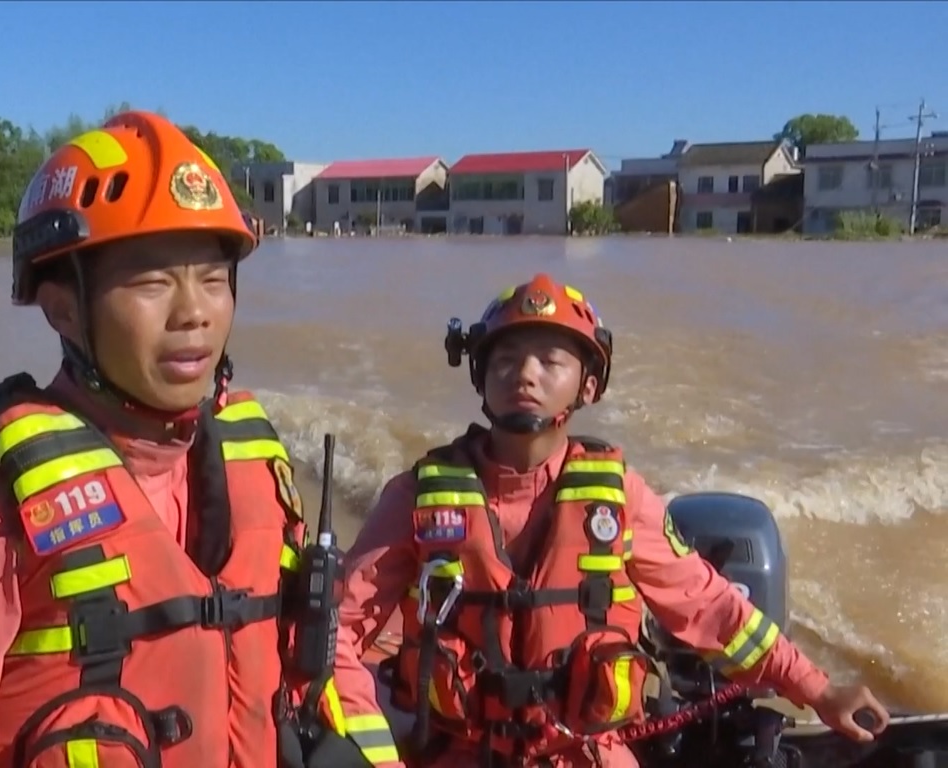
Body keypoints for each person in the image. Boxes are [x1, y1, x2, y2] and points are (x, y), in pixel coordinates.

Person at [0, 111, 401, 768]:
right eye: (152, 282)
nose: (195, 313)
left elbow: (326, 652)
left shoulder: (258, 467)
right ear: (64, 307)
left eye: (212, 278)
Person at [326, 273, 893, 767]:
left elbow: (714, 610)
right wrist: (377, 759)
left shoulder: (618, 498)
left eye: (550, 361)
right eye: (504, 358)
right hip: (459, 753)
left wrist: (819, 690)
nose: (524, 374)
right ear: (480, 378)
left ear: (588, 385)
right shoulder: (416, 498)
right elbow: (339, 637)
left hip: (589, 755)